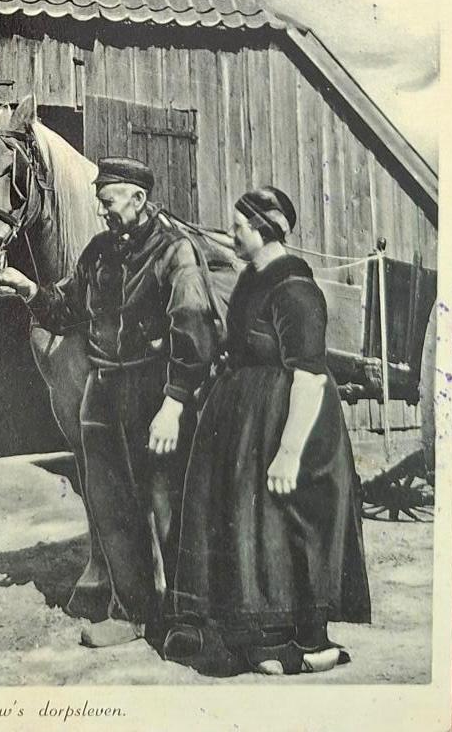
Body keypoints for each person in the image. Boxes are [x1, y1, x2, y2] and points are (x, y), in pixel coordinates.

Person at [0, 157, 218, 648]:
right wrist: (30, 290)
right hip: (102, 390)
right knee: (111, 503)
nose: (102, 212)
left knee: (165, 502)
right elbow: (68, 307)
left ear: (137, 199)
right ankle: (132, 613)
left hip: (152, 391)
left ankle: (186, 618)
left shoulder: (174, 253)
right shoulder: (98, 252)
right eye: (99, 203)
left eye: (109, 202)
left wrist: (176, 401)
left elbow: (195, 331)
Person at [161, 186, 371, 677]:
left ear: (263, 231)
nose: (231, 234)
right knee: (251, 526)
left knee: (287, 523)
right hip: (249, 418)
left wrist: (290, 450)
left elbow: (310, 376)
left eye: (239, 227)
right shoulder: (254, 279)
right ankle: (264, 637)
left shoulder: (296, 290)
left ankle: (307, 641)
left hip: (290, 419)